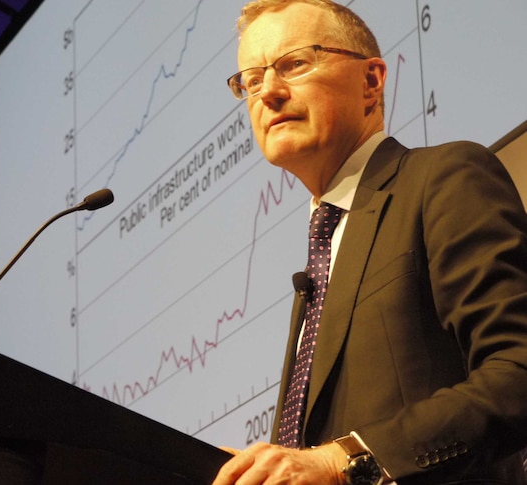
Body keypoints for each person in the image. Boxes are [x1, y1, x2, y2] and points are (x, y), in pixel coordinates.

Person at [213, 1, 527, 484]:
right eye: (251, 80)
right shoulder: (323, 250)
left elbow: (518, 369)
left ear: (372, 81)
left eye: (294, 63)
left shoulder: (443, 178)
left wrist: (345, 460)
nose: (268, 92)